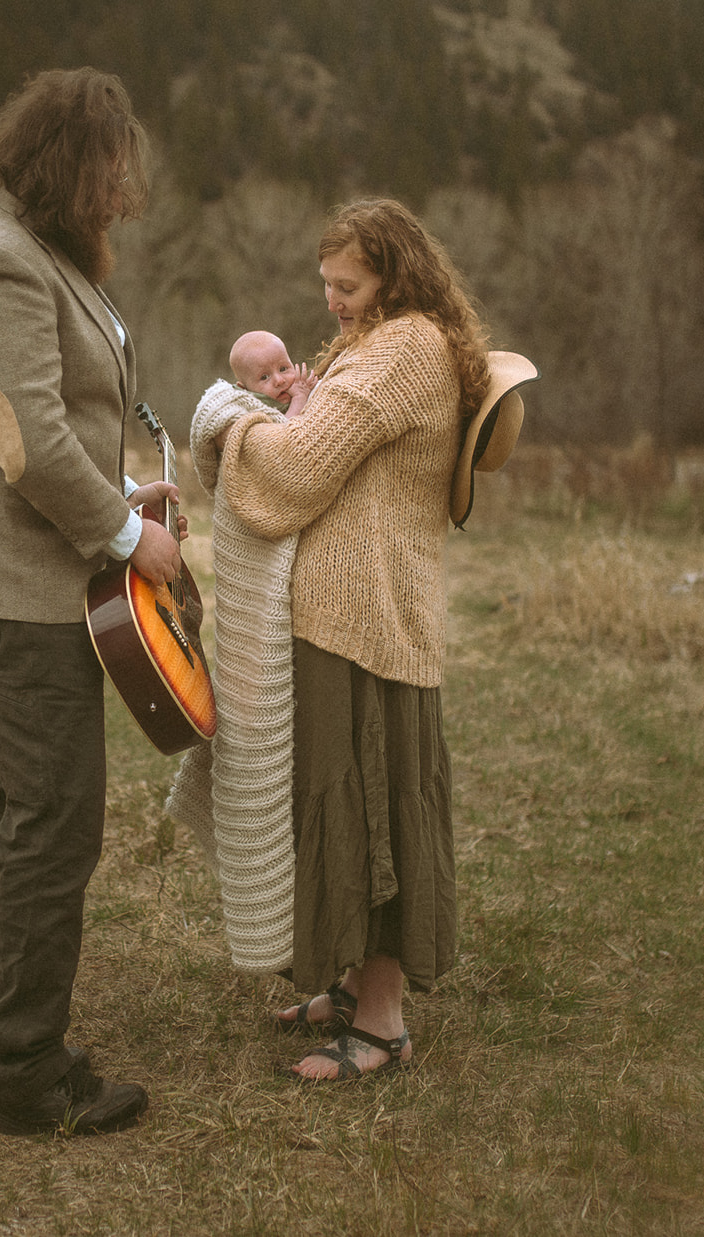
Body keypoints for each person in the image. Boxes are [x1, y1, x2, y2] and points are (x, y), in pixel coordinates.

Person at [0, 67, 182, 1135]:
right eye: (107, 169)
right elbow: (25, 443)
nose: (120, 190)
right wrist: (126, 534)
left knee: (9, 808)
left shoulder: (35, 251)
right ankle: (23, 1075)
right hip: (9, 593)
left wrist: (119, 491)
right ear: (65, 165)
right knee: (54, 821)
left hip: (25, 581)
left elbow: (56, 426)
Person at [211, 198, 495, 1080]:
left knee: (370, 810)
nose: (332, 300)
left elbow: (298, 466)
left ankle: (381, 1021)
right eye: (326, 283)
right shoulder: (371, 340)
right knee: (333, 801)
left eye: (349, 284)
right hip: (338, 613)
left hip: (370, 620)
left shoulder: (406, 350)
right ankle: (343, 982)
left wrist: (228, 418)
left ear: (394, 276)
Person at [228, 330, 317, 418]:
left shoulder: (302, 388)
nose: (279, 380)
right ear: (244, 389)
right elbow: (283, 430)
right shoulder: (253, 413)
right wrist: (299, 398)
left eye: (283, 369)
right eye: (264, 377)